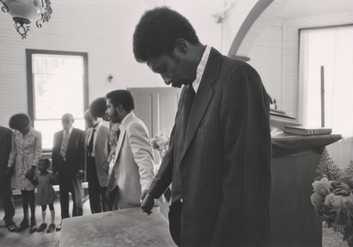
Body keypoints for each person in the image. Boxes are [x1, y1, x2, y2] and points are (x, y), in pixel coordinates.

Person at [134, 7, 271, 247]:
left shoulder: (238, 78)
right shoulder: (189, 88)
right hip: (192, 227)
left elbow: (243, 180)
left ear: (182, 47)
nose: (166, 80)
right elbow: (177, 148)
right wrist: (154, 191)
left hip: (222, 233)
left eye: (164, 69)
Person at [105, 90, 154, 209]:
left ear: (120, 108)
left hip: (133, 200)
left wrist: (147, 190)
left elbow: (145, 161)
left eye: (109, 107)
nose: (107, 112)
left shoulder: (134, 126)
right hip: (122, 195)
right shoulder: (126, 125)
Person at [7, 114, 42, 233]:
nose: (18, 131)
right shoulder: (15, 134)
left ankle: (33, 218)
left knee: (31, 194)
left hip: (31, 167)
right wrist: (9, 166)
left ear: (26, 125)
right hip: (19, 167)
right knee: (23, 194)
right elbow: (13, 151)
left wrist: (33, 167)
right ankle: (25, 218)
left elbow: (38, 152)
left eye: (20, 128)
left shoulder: (36, 134)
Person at [52, 113, 85, 230]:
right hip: (61, 171)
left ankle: (77, 221)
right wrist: (54, 169)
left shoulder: (80, 133)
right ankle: (65, 220)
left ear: (73, 121)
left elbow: (83, 153)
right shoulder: (57, 135)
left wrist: (81, 169)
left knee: (77, 198)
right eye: (63, 121)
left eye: (67, 121)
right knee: (63, 197)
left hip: (75, 170)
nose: (65, 123)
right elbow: (55, 152)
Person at [84, 97, 110, 213]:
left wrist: (107, 165)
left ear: (93, 118)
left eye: (87, 120)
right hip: (91, 167)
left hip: (102, 167)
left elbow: (110, 150)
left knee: (104, 196)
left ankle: (106, 217)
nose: (86, 122)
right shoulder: (88, 131)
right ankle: (94, 214)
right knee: (93, 195)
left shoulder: (105, 129)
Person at [0, 125, 17, 232]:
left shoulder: (7, 132)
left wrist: (9, 168)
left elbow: (12, 151)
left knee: (6, 195)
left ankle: (9, 220)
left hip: (3, 169)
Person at [35, 158, 56, 233]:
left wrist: (54, 175)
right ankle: (44, 222)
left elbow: (53, 181)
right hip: (41, 193)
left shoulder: (49, 174)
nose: (40, 167)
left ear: (46, 166)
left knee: (51, 206)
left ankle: (52, 223)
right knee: (43, 207)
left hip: (49, 193)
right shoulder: (37, 175)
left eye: (42, 165)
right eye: (39, 165)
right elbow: (36, 183)